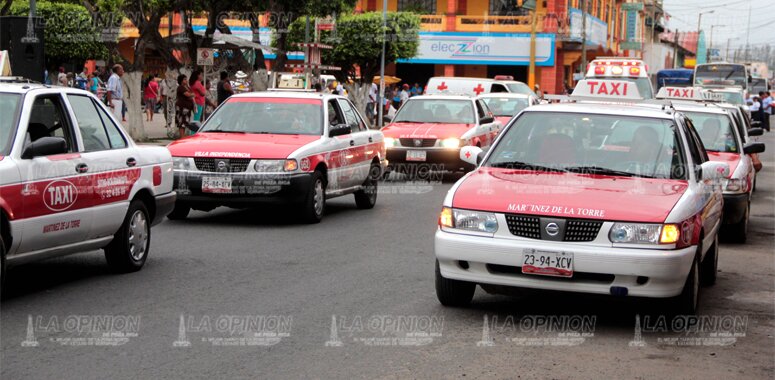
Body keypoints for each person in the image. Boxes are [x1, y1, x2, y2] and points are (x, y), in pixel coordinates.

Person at [175, 74, 195, 138]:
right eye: (184, 79)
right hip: (182, 108)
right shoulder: (180, 87)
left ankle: (183, 135)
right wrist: (192, 95)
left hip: (187, 108)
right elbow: (188, 95)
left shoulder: (187, 87)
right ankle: (182, 136)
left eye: (186, 79)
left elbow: (192, 93)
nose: (186, 80)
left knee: (185, 122)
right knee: (181, 123)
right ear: (181, 80)